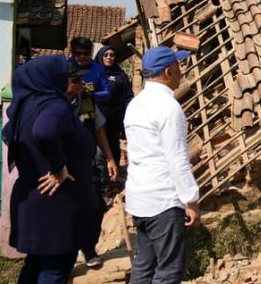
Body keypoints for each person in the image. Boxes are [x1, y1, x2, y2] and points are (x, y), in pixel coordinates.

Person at [3, 55, 96, 283]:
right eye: (65, 74)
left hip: (34, 202)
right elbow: (44, 132)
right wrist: (57, 168)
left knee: (34, 266)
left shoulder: (24, 107)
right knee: (54, 271)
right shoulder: (54, 105)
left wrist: (38, 162)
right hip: (56, 209)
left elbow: (7, 135)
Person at [124, 46, 200, 283]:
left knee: (144, 265)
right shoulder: (168, 108)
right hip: (162, 202)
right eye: (178, 66)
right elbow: (177, 159)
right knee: (168, 271)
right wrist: (191, 200)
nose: (181, 71)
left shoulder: (135, 104)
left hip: (139, 199)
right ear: (168, 71)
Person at [66, 64, 119, 268]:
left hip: (89, 163)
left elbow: (98, 130)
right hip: (63, 169)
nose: (82, 84)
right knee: (69, 210)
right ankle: (66, 258)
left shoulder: (87, 99)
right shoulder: (52, 103)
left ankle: (89, 249)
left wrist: (110, 158)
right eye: (76, 81)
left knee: (96, 205)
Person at [94, 45, 133, 164]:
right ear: (100, 57)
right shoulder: (94, 73)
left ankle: (113, 177)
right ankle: (99, 178)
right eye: (106, 55)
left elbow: (127, 97)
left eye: (112, 55)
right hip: (97, 117)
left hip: (114, 119)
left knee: (113, 147)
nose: (109, 57)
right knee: (99, 151)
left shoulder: (121, 76)